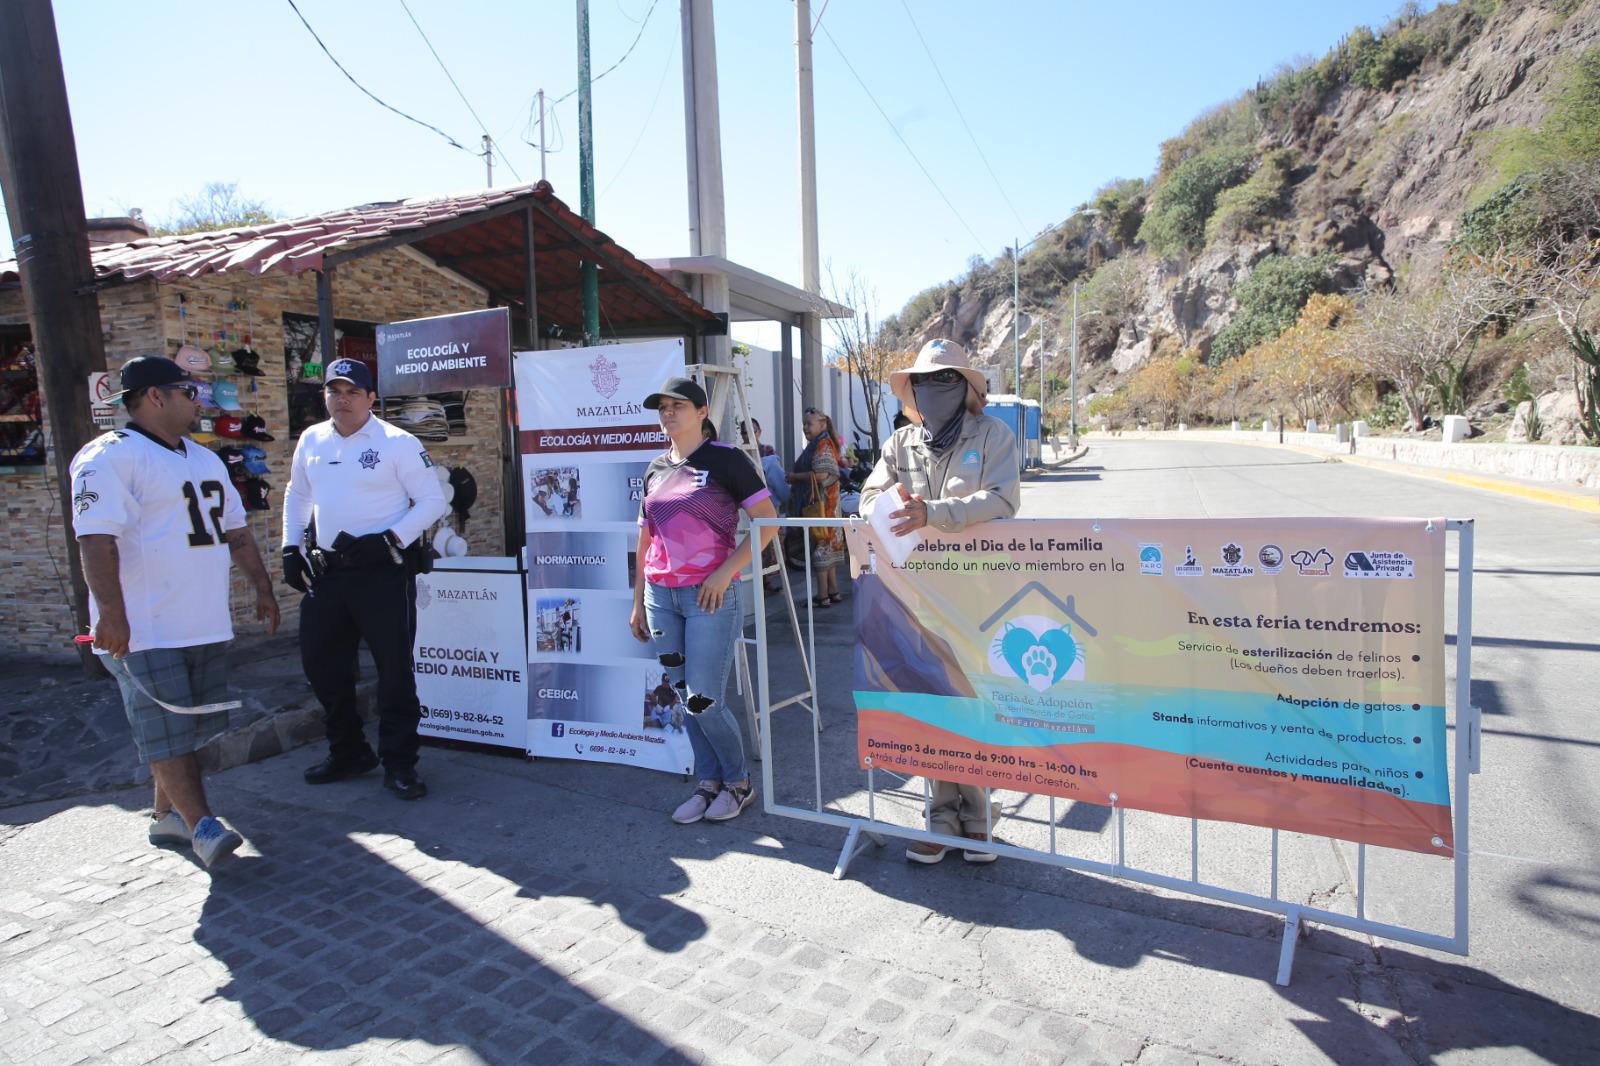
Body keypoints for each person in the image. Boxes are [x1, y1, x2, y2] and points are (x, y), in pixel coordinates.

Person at [71, 355, 280, 869]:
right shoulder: (110, 457)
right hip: (145, 627)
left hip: (202, 620)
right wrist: (112, 616)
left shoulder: (205, 459)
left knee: (184, 730)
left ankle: (166, 816)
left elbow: (236, 532)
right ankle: (202, 826)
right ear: (155, 397)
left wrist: (263, 589)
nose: (198, 401)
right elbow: (96, 541)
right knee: (163, 727)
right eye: (188, 391)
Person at [859, 338, 1021, 865]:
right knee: (928, 700)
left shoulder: (994, 435)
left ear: (968, 387)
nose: (933, 389)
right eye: (925, 381)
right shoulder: (900, 443)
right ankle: (939, 815)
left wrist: (935, 512)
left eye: (946, 379)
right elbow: (867, 498)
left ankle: (979, 817)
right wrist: (892, 507)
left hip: (976, 593)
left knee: (972, 701)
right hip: (915, 594)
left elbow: (1002, 499)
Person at [281, 358, 448, 800]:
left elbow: (432, 501)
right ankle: (349, 751)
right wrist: (289, 546)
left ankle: (399, 763)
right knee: (322, 666)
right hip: (330, 572)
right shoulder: (312, 439)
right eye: (334, 392)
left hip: (383, 573)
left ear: (371, 397)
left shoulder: (398, 442)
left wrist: (391, 538)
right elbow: (297, 493)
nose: (343, 399)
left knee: (393, 673)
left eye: (352, 392)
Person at [630, 376, 779, 824]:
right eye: (662, 407)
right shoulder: (655, 468)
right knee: (681, 694)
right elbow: (645, 539)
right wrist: (637, 600)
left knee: (703, 698)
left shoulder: (725, 460)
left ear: (701, 413)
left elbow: (769, 523)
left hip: (708, 597)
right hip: (661, 599)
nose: (668, 413)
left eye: (679, 405)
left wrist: (727, 571)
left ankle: (739, 782)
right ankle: (708, 782)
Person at [786, 408, 845, 607]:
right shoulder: (820, 443)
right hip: (827, 506)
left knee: (820, 550)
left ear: (821, 425)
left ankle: (822, 596)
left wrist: (794, 477)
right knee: (827, 550)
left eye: (808, 424)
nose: (805, 428)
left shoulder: (822, 444)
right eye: (803, 424)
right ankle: (833, 591)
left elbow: (821, 475)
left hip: (823, 507)